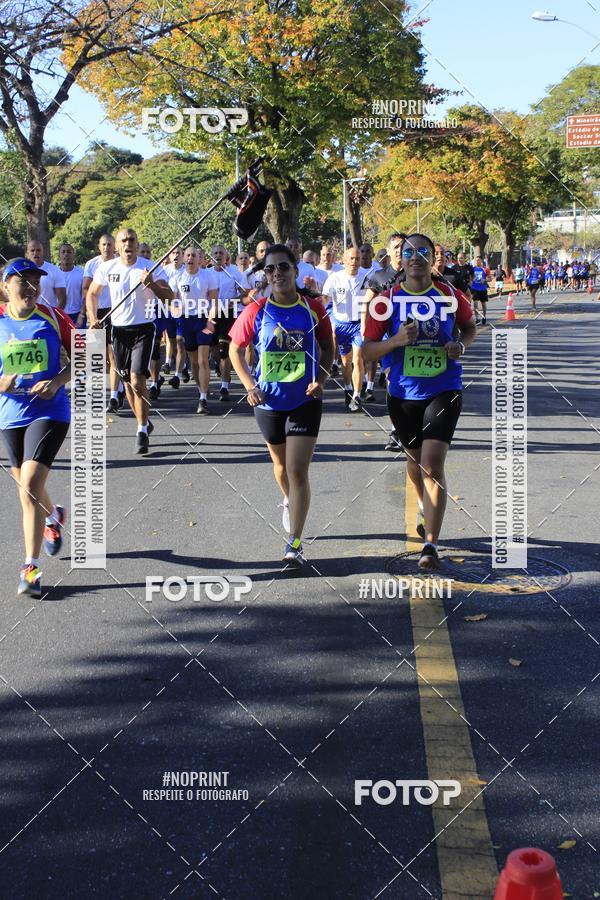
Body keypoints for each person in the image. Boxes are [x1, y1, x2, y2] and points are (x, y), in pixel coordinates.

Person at [363, 233, 477, 570]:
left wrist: (461, 346)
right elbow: (366, 350)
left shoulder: (450, 296)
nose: (415, 257)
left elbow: (469, 327)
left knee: (432, 464)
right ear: (401, 259)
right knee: (415, 464)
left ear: (432, 257)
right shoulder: (385, 301)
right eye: (409, 252)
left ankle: (430, 545)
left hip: (444, 388)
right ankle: (427, 507)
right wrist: (395, 341)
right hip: (402, 393)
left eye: (423, 251)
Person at [229, 244, 334, 568]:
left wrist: (323, 379)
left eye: (283, 267)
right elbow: (236, 349)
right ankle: (288, 499)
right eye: (271, 269)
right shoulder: (256, 310)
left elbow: (328, 346)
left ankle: (295, 544)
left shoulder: (313, 309)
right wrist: (249, 386)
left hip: (305, 399)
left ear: (295, 271)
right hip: (269, 401)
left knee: (297, 469)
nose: (277, 274)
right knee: (280, 467)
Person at [0, 258, 74, 597]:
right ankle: (54, 515)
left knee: (29, 483)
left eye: (35, 281)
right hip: (10, 413)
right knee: (25, 488)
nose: (31, 288)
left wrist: (57, 382)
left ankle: (30, 568)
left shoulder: (54, 317)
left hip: (49, 410)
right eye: (23, 282)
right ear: (5, 287)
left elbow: (89, 355)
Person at [88, 228, 172, 455]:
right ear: (117, 246)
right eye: (123, 240)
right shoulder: (107, 268)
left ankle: (142, 430)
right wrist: (93, 317)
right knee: (127, 383)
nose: (128, 243)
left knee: (137, 378)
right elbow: (92, 293)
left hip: (144, 328)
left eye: (131, 239)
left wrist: (152, 284)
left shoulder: (149, 267)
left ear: (136, 244)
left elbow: (170, 297)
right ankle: (144, 419)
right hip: (119, 330)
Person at [172, 246, 218, 413]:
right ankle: (201, 391)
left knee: (203, 360)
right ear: (184, 258)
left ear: (200, 259)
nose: (191, 258)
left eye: (194, 255)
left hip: (203, 319)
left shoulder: (208, 276)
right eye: (188, 255)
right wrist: (175, 309)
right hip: (186, 320)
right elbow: (173, 299)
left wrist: (211, 319)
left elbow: (214, 300)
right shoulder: (178, 277)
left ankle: (203, 398)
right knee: (194, 362)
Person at [322, 247, 366, 411]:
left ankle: (357, 394)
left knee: (357, 358)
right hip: (342, 325)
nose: (355, 262)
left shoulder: (367, 278)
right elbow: (325, 300)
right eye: (352, 258)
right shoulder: (335, 278)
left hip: (358, 324)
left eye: (357, 259)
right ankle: (347, 388)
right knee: (346, 362)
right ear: (344, 260)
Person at [83, 234, 124, 412]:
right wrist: (90, 316)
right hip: (97, 313)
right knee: (97, 356)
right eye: (104, 244)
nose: (107, 247)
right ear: (99, 247)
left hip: (116, 312)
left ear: (115, 247)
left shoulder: (120, 263)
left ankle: (114, 396)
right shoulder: (92, 264)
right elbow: (86, 289)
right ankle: (114, 388)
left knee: (113, 354)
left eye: (110, 244)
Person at [209, 244, 245, 400]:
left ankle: (224, 387)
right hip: (210, 313)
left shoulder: (234, 273)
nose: (218, 256)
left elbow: (244, 293)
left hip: (228, 314)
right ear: (211, 256)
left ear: (226, 257)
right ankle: (220, 366)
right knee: (214, 349)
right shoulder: (206, 273)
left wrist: (232, 301)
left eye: (221, 253)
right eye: (215, 253)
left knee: (224, 350)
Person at [25, 241, 66, 310]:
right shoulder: (21, 271)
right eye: (32, 250)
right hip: (27, 314)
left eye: (38, 250)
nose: (35, 253)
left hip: (48, 314)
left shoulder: (54, 270)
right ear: (27, 253)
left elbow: (62, 298)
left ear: (43, 252)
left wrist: (56, 315)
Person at [58, 243, 85, 326]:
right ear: (59, 255)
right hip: (59, 315)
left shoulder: (82, 273)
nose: (66, 254)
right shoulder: (54, 273)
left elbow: (86, 295)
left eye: (69, 252)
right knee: (61, 339)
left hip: (77, 315)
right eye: (63, 252)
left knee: (78, 339)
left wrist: (82, 314)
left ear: (74, 255)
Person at [470, 257, 489, 324]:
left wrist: (485, 280)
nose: (477, 261)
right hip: (475, 288)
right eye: (476, 260)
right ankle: (477, 318)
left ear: (481, 261)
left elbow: (490, 278)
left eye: (479, 260)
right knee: (475, 304)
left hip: (483, 289)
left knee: (483, 304)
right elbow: (470, 278)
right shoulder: (472, 269)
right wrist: (471, 281)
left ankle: (484, 317)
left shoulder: (485, 269)